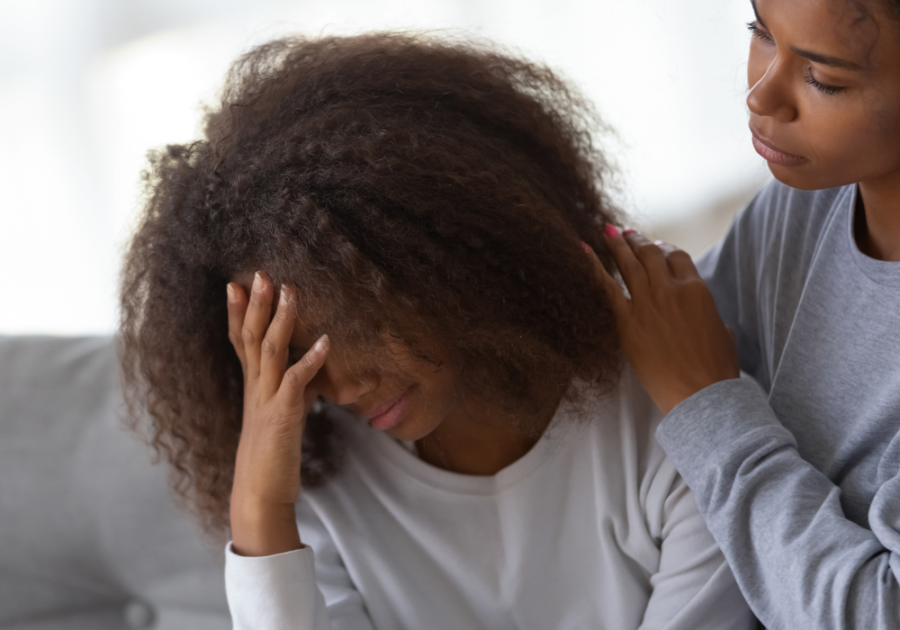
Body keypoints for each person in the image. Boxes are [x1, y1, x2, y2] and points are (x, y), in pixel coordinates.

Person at [119, 34, 753, 630]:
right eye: (296, 354)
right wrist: (258, 509)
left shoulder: (669, 420)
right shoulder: (312, 480)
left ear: (440, 267)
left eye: (352, 327)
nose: (339, 387)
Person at [588, 0, 900, 627]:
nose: (760, 96)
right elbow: (660, 352)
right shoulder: (805, 206)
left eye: (824, 79)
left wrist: (706, 406)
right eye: (761, 31)